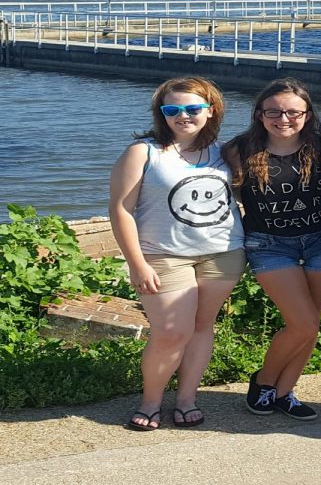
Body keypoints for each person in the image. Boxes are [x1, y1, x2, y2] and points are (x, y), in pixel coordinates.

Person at [110, 76, 245, 431]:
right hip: (163, 255)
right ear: (162, 113)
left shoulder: (226, 151)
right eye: (173, 109)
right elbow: (121, 210)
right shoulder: (144, 152)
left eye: (193, 108)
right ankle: (151, 400)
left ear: (210, 109)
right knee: (170, 332)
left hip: (223, 252)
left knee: (202, 327)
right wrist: (136, 263)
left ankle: (187, 398)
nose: (183, 116)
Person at [223, 78, 321, 421]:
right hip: (269, 244)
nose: (283, 118)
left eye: (293, 111)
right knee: (302, 324)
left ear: (307, 114)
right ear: (259, 114)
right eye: (273, 111)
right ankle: (263, 383)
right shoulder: (238, 149)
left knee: (311, 324)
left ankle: (285, 392)